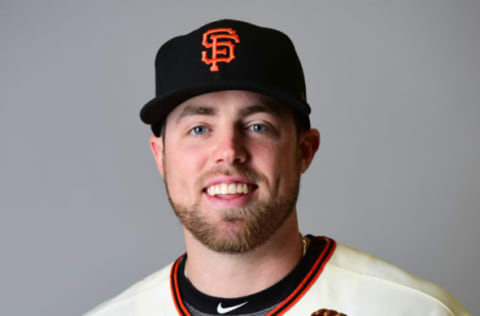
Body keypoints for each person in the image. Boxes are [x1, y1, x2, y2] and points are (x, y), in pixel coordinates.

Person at [85, 19, 471, 316]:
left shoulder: (412, 310)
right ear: (161, 156)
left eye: (258, 126)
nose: (229, 152)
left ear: (305, 150)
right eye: (199, 128)